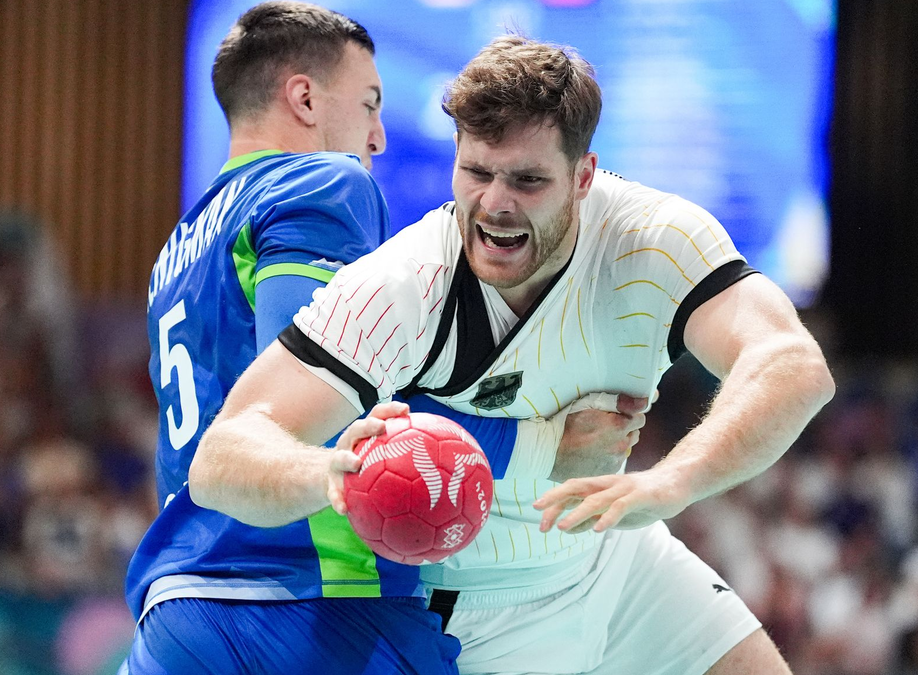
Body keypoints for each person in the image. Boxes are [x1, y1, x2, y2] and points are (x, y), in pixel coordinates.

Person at [191, 34, 835, 675]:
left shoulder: (654, 239)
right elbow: (224, 457)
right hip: (473, 612)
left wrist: (673, 481)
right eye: (476, 173)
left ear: (584, 177)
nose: (496, 203)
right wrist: (334, 473)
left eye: (528, 180)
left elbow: (791, 365)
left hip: (622, 562)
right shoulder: (404, 285)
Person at [124, 5, 641, 673]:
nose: (377, 138)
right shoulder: (318, 182)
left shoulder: (179, 246)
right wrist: (543, 442)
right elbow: (330, 400)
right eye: (370, 105)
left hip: (179, 607)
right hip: (311, 604)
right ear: (304, 98)